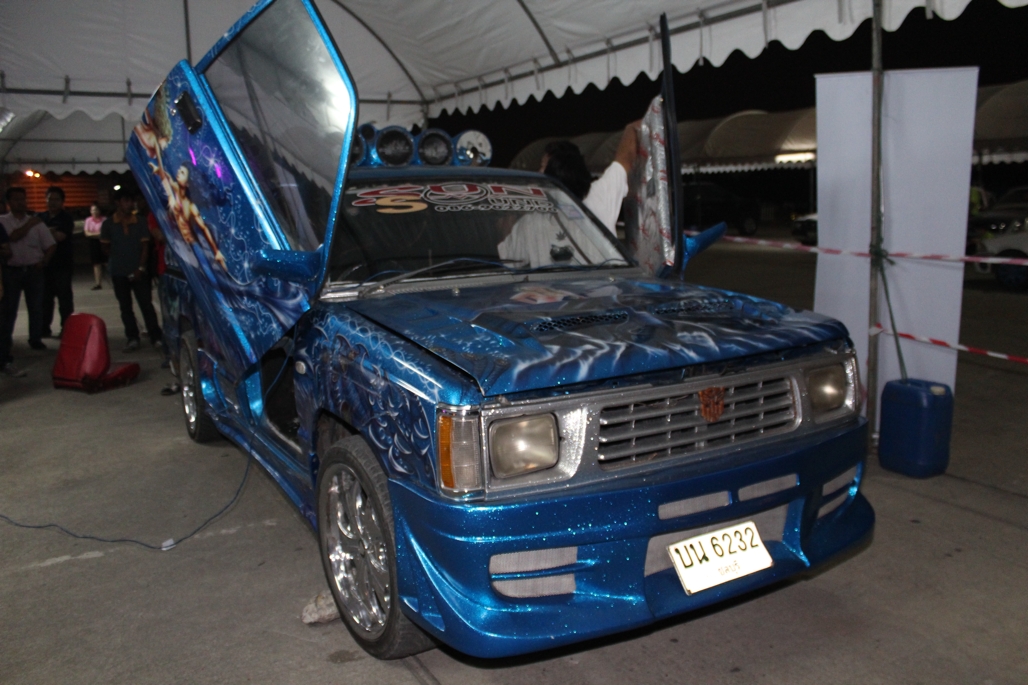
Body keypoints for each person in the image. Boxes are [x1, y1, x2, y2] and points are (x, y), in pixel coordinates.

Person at [538, 121, 640, 232]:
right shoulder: (600, 195)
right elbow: (626, 156)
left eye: (542, 167)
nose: (538, 173)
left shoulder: (536, 218)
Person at [0, 187, 55, 374]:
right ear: (9, 203)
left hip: (33, 270)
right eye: (16, 199)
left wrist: (44, 261)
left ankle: (35, 338)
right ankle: (6, 342)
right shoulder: (3, 221)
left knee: (36, 306)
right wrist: (29, 224)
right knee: (9, 309)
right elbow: (12, 237)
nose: (21, 203)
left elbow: (50, 244)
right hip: (12, 271)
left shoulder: (37, 223)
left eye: (23, 199)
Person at [100, 190, 162, 352]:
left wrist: (140, 267)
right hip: (119, 271)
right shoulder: (109, 224)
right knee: (125, 307)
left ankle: (156, 336)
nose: (130, 204)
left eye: (131, 201)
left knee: (146, 305)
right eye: (126, 201)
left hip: (139, 271)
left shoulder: (140, 221)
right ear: (118, 203)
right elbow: (105, 247)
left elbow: (145, 247)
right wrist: (118, 258)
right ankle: (132, 337)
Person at [40, 186, 75, 338]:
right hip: (44, 265)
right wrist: (50, 232)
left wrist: (43, 233)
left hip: (62, 264)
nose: (53, 202)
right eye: (50, 199)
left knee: (64, 299)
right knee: (45, 299)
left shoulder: (66, 218)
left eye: (56, 199)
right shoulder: (40, 217)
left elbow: (60, 236)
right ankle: (44, 328)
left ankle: (67, 329)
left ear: (62, 201)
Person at [83, 203, 107, 290]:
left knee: (106, 261)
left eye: (96, 210)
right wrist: (98, 234)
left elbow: (105, 233)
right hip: (93, 243)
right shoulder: (88, 220)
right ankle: (98, 283)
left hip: (104, 242)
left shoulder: (104, 220)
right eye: (92, 210)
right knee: (96, 263)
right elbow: (87, 233)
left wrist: (93, 234)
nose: (94, 212)